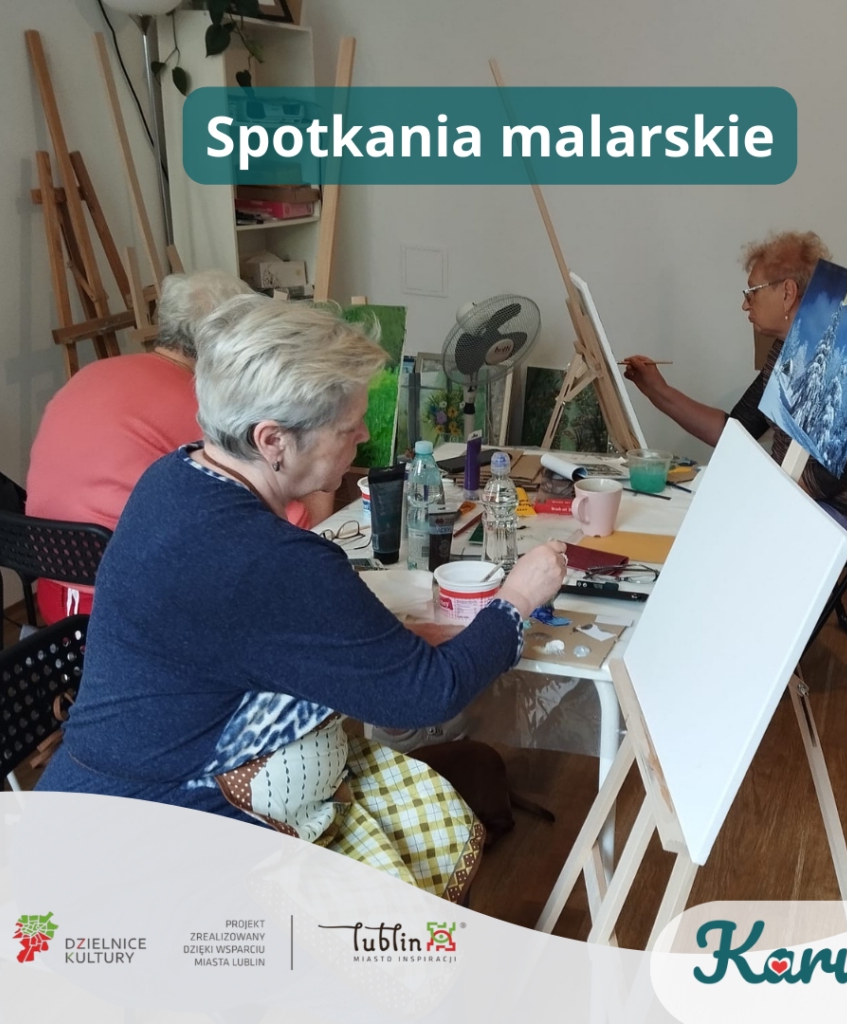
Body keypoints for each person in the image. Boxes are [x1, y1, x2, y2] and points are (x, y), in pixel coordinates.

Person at [37, 297, 567, 903]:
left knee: (454, 784)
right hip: (152, 860)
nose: (365, 436)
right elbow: (428, 694)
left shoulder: (175, 477)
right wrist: (517, 598)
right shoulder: (271, 560)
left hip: (86, 815)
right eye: (347, 428)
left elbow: (257, 633)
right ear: (273, 441)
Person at [25, 271, 332, 624]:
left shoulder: (92, 373)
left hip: (52, 593)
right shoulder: (204, 406)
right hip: (128, 610)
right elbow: (295, 530)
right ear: (228, 339)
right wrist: (321, 467)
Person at [624, 230, 847, 549]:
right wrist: (658, 391)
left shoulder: (844, 353)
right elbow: (737, 429)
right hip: (796, 497)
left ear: (787, 292)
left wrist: (760, 504)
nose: (744, 304)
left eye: (751, 292)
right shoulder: (784, 349)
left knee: (718, 532)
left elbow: (831, 477)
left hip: (842, 513)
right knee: (697, 512)